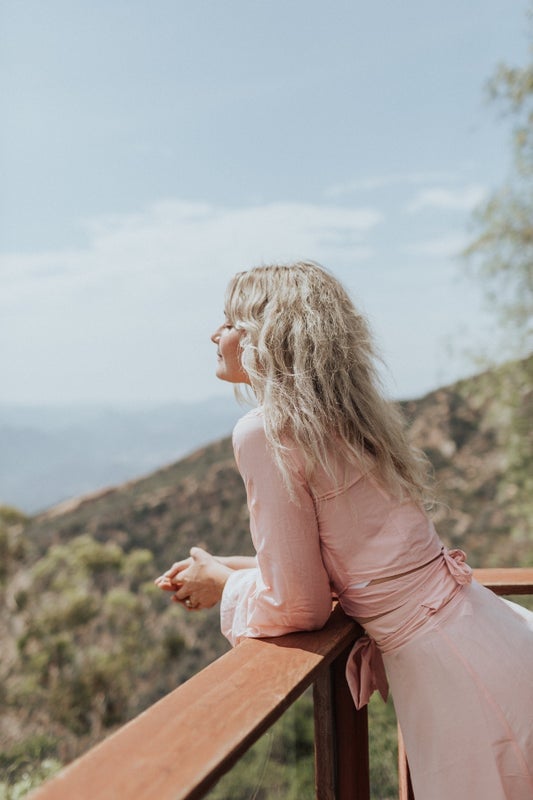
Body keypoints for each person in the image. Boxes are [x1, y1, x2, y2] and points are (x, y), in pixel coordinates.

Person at [155, 261, 533, 799]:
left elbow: (299, 607)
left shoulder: (264, 431)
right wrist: (235, 567)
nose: (215, 334)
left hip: (456, 676)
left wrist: (225, 586)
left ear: (267, 337)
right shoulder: (349, 416)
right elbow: (359, 560)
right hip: (489, 635)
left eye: (230, 320)